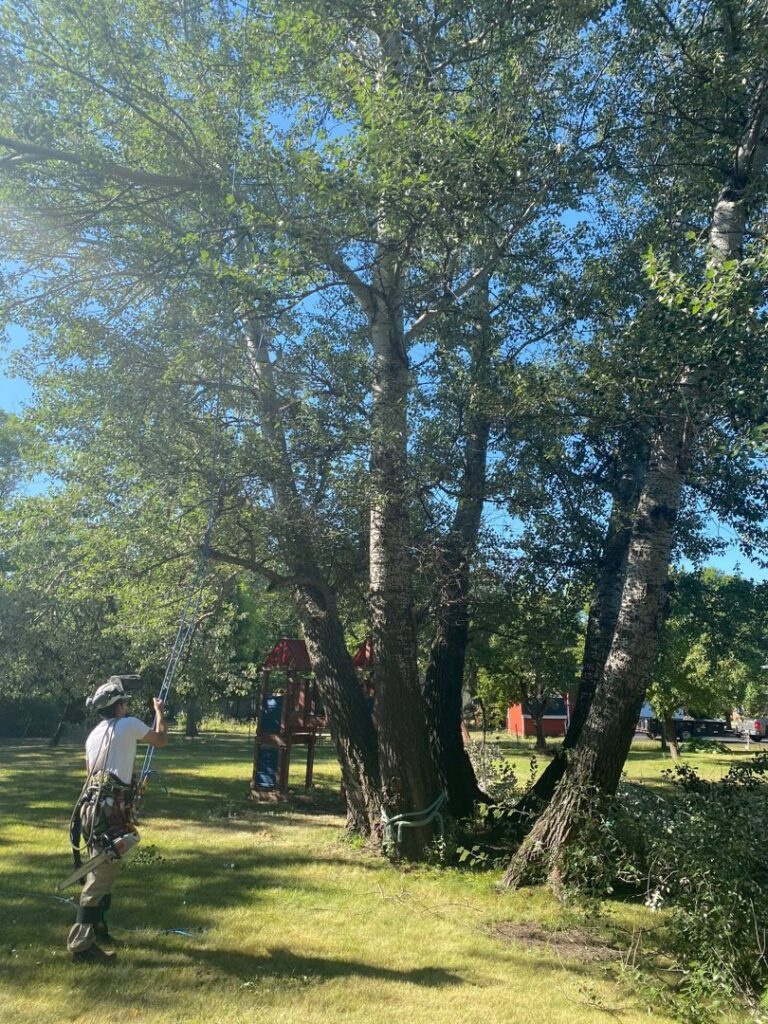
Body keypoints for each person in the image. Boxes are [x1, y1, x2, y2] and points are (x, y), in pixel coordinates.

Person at [66, 676, 167, 963]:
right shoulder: (129, 724)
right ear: (119, 706)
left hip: (90, 810)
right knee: (100, 877)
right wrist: (159, 711)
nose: (126, 707)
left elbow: (92, 774)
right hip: (108, 811)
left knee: (104, 869)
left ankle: (99, 930)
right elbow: (160, 740)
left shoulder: (93, 735)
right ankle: (81, 945)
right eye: (124, 703)